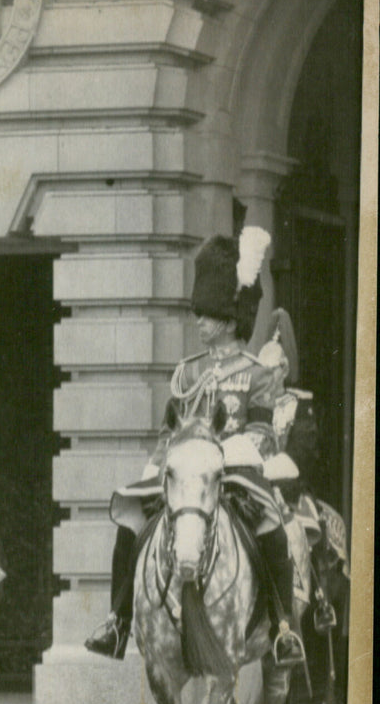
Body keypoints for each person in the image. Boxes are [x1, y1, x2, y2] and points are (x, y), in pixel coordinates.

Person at [85, 227, 306, 669]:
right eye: (200, 314)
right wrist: (159, 465)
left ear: (228, 317)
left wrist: (221, 454)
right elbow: (170, 431)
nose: (199, 322)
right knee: (129, 518)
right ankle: (118, 620)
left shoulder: (257, 373)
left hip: (235, 471)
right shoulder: (187, 373)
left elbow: (263, 434)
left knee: (272, 529)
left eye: (206, 315)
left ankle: (283, 629)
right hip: (184, 473)